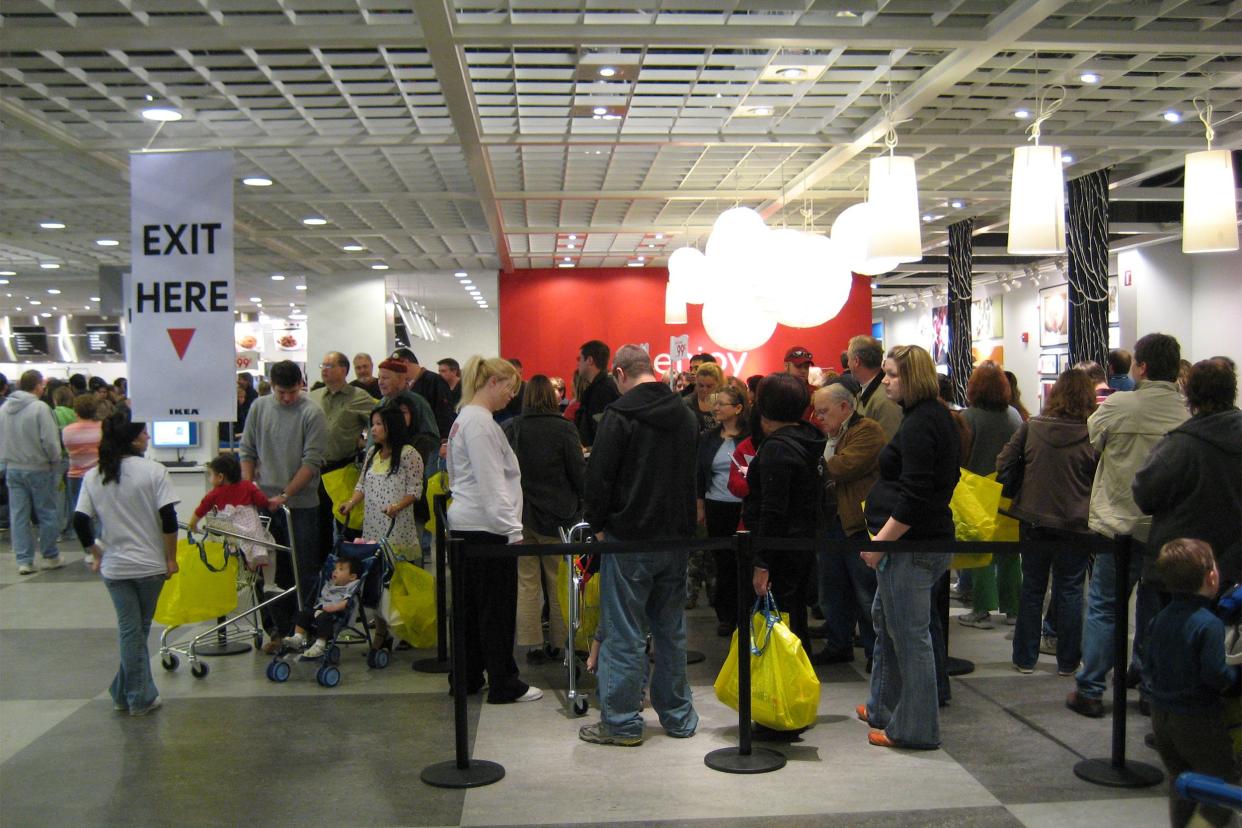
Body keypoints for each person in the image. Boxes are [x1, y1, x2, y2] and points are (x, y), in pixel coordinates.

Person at [579, 344, 698, 747]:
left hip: (629, 537)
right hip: (675, 537)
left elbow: (600, 476)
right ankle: (679, 716)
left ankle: (623, 722)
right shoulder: (684, 413)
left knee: (624, 632)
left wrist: (595, 524)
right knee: (671, 630)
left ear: (619, 374)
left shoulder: (619, 414)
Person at [1067, 333, 1189, 719]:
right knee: (1154, 610)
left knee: (1104, 605)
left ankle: (1090, 689)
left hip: (1117, 524)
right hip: (1164, 529)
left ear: (1143, 367)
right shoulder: (1187, 413)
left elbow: (1094, 440)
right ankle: (1150, 690)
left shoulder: (1119, 405)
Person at [859, 345, 960, 750]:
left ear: (913, 377)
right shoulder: (927, 417)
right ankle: (884, 706)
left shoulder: (923, 422)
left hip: (912, 547)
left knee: (909, 636)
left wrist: (882, 543)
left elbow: (916, 495)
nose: (885, 382)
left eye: (893, 375)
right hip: (917, 543)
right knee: (888, 622)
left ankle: (915, 728)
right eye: (884, 374)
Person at [446, 356, 542, 704]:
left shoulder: (465, 420)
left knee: (471, 609)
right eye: (509, 388)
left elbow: (458, 477)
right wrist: (512, 531)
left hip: (467, 524)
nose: (511, 396)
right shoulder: (481, 425)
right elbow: (492, 484)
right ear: (492, 383)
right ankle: (503, 681)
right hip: (487, 529)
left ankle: (468, 675)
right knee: (496, 610)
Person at [72, 412, 179, 716]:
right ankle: (140, 697)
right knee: (137, 631)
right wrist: (170, 558)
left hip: (115, 568)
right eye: (145, 433)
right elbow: (169, 520)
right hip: (149, 567)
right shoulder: (154, 472)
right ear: (134, 438)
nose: (148, 437)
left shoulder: (95, 475)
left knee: (131, 631)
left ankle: (122, 692)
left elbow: (80, 520)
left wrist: (95, 552)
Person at [997, 368, 1099, 675]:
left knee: (1033, 588)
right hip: (1076, 522)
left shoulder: (1034, 427)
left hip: (1033, 518)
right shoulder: (1092, 432)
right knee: (1070, 591)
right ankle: (1068, 661)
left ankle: (1025, 658)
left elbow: (1003, 462)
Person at [1143, 539, 1239, 828]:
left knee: (1182, 782)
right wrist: (1232, 679)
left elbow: (1149, 665)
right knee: (1222, 783)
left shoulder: (1158, 620)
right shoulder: (1207, 624)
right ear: (1212, 577)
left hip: (1162, 717)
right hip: (1197, 718)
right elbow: (1214, 674)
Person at [1133, 359, 1241, 587]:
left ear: (1190, 393)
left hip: (1180, 569)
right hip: (1232, 565)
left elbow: (1145, 494)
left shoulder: (1180, 445)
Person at [239, 361, 328, 625]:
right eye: (281, 393)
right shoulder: (259, 407)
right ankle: (274, 628)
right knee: (265, 566)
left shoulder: (312, 413)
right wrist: (247, 489)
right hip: (263, 501)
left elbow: (311, 462)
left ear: (301, 385)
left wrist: (286, 495)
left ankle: (303, 625)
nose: (287, 398)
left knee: (302, 566)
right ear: (272, 387)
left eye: (292, 392)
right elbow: (247, 451)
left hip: (300, 504)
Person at [503, 375, 584, 661]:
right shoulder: (564, 429)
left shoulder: (513, 427)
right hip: (558, 516)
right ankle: (561, 643)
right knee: (557, 580)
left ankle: (532, 643)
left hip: (522, 515)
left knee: (526, 583)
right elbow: (578, 473)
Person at [747, 373, 826, 651]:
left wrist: (762, 562)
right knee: (794, 614)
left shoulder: (778, 449)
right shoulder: (810, 440)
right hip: (803, 542)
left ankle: (784, 683)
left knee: (779, 618)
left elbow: (773, 510)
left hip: (781, 549)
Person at [811, 380, 885, 667]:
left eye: (824, 411)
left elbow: (843, 466)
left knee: (865, 592)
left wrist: (813, 464)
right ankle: (838, 643)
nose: (819, 418)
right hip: (832, 522)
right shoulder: (831, 434)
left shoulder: (867, 431)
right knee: (833, 588)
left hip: (857, 523)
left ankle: (873, 652)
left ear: (844, 407)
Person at [957, 362, 1024, 629]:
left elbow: (962, 454)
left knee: (980, 554)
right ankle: (1013, 609)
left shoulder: (968, 417)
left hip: (976, 488)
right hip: (1008, 491)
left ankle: (982, 610)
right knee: (1009, 554)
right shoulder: (1014, 415)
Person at [696, 382, 750, 637]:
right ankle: (726, 615)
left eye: (721, 404)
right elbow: (699, 473)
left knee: (745, 562)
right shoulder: (708, 438)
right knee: (721, 563)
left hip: (744, 507)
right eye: (714, 403)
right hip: (716, 505)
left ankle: (747, 612)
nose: (715, 408)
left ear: (738, 408)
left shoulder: (751, 437)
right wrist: (700, 505)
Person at [309, 351, 375, 554]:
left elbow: (379, 422)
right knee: (319, 526)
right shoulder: (313, 397)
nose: (324, 370)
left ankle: (349, 571)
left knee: (348, 523)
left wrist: (367, 444)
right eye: (322, 366)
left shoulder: (359, 397)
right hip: (315, 471)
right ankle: (323, 573)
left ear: (343, 370)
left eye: (329, 366)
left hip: (343, 470)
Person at [338, 405, 424, 561]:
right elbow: (361, 485)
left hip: (395, 523)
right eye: (373, 424)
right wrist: (351, 503)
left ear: (392, 425)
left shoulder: (409, 453)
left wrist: (397, 506)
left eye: (379, 424)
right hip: (372, 522)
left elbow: (415, 491)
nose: (373, 429)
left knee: (395, 570)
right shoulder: (372, 453)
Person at [0, 370, 65, 574]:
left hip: (13, 468)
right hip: (39, 468)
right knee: (46, 512)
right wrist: (56, 461)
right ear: (38, 386)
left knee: (18, 515)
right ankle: (50, 555)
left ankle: (24, 560)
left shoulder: (4, 409)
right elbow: (50, 441)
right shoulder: (40, 408)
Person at [281, 557, 363, 659]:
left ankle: (320, 645)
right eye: (335, 569)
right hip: (321, 609)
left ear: (352, 577)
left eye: (340, 569)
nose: (335, 571)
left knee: (324, 618)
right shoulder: (330, 584)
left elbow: (348, 602)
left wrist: (333, 608)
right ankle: (297, 638)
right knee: (303, 613)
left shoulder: (352, 586)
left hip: (336, 614)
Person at [62, 394, 104, 556]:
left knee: (80, 512)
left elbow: (67, 451)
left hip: (75, 475)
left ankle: (89, 548)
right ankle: (100, 541)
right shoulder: (102, 428)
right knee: (102, 511)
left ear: (76, 410)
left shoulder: (67, 431)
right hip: (98, 474)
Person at [188, 453, 270, 533]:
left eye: (210, 474)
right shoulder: (248, 486)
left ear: (220, 477)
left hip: (234, 537)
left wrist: (193, 524)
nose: (209, 479)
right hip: (254, 535)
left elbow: (201, 510)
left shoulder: (214, 494)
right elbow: (263, 502)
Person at [390, 347, 455, 439]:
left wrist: (444, 441)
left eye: (396, 368)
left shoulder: (434, 381)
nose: (396, 372)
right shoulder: (405, 387)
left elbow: (444, 413)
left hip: (433, 441)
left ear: (405, 362)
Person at [847, 335, 903, 442]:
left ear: (856, 361)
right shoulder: (864, 393)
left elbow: (889, 445)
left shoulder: (886, 398)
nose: (848, 364)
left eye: (849, 359)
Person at [573, 339, 619, 447]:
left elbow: (603, 430)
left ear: (589, 360)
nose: (577, 363)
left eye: (579, 359)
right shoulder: (603, 387)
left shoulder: (602, 390)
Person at [685, 362, 724, 433]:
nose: (705, 390)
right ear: (696, 383)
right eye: (701, 385)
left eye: (709, 386)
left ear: (718, 384)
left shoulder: (726, 402)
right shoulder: (687, 403)